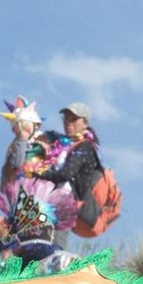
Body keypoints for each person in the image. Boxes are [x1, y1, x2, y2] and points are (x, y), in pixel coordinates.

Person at [39, 102, 105, 238]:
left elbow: (66, 174)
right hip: (51, 202)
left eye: (74, 119)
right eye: (66, 119)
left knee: (54, 246)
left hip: (66, 204)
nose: (68, 122)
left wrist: (40, 174)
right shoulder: (62, 145)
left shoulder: (85, 147)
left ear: (85, 123)